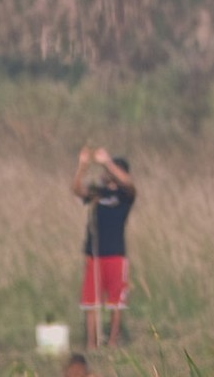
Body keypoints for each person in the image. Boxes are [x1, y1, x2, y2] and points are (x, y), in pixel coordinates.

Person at [71, 146, 136, 349]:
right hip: (94, 253)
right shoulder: (98, 193)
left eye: (113, 171)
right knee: (91, 302)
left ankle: (113, 342)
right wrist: (82, 167)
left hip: (116, 254)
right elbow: (77, 190)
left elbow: (128, 184)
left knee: (116, 303)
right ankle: (92, 343)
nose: (108, 175)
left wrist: (107, 162)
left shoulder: (126, 195)